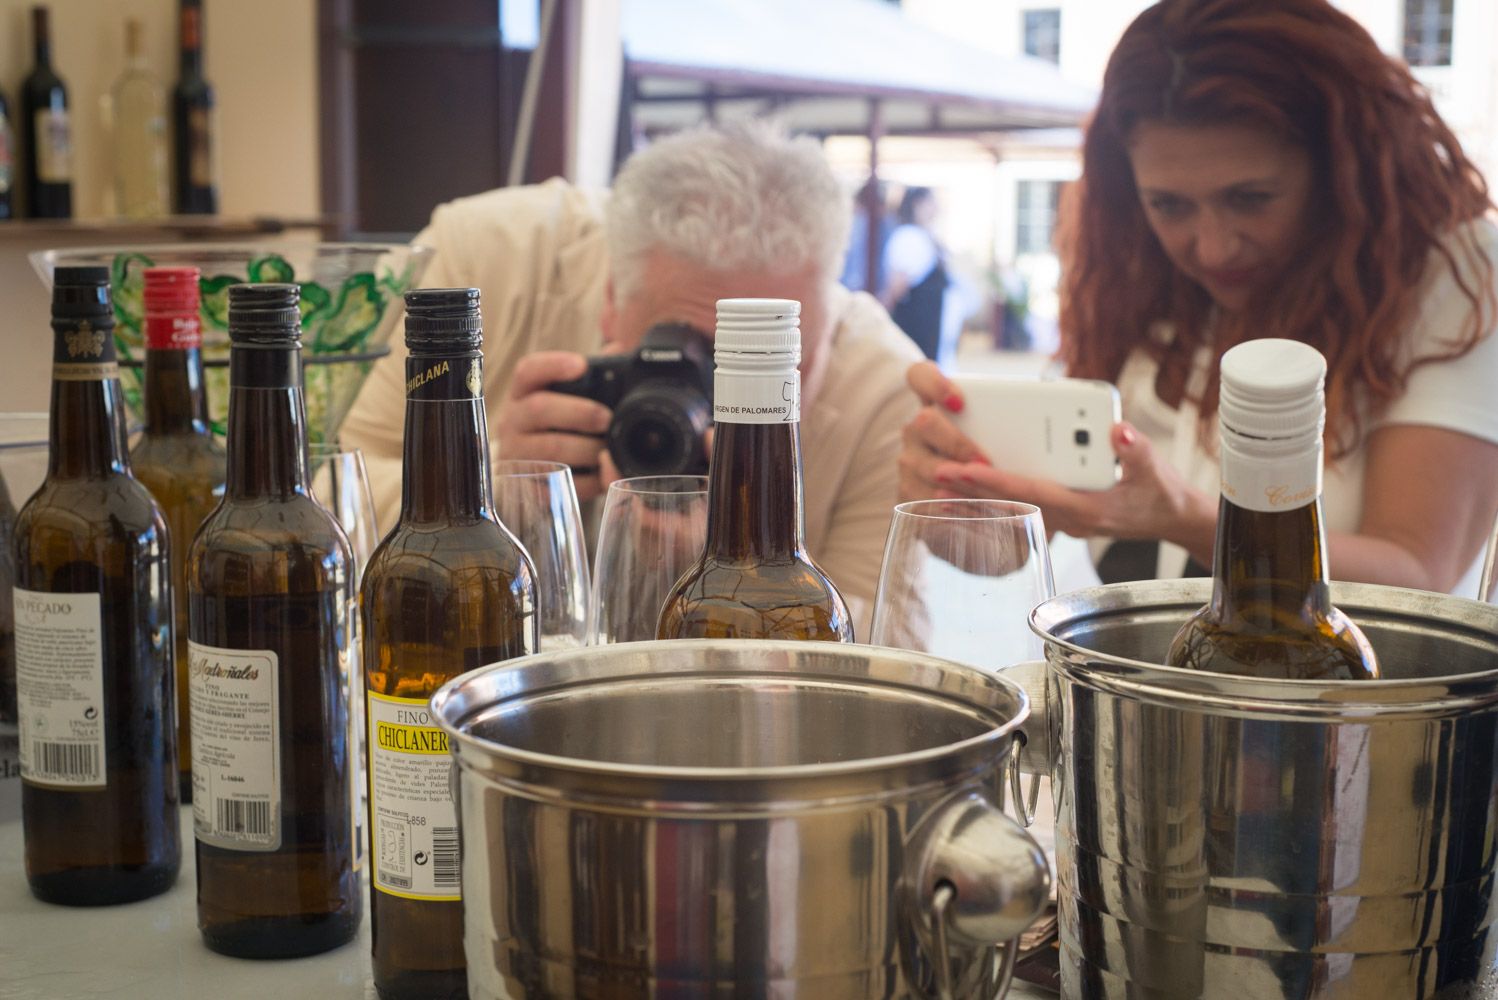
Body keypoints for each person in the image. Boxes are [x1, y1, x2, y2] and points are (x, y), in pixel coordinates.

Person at [898, 0, 1498, 597]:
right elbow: (1006, 552)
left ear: (1343, 171)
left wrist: (1184, 517)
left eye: (1252, 198)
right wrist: (950, 505)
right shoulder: (1137, 282)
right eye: (1170, 206)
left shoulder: (1453, 270)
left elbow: (1421, 577)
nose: (1211, 249)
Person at [340, 120, 923, 634]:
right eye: (694, 356)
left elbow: (879, 653)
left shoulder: (883, 386)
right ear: (611, 299)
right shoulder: (483, 257)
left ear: (826, 319)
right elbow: (332, 496)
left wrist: (739, 575)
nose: (720, 407)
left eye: (770, 362)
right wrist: (484, 484)